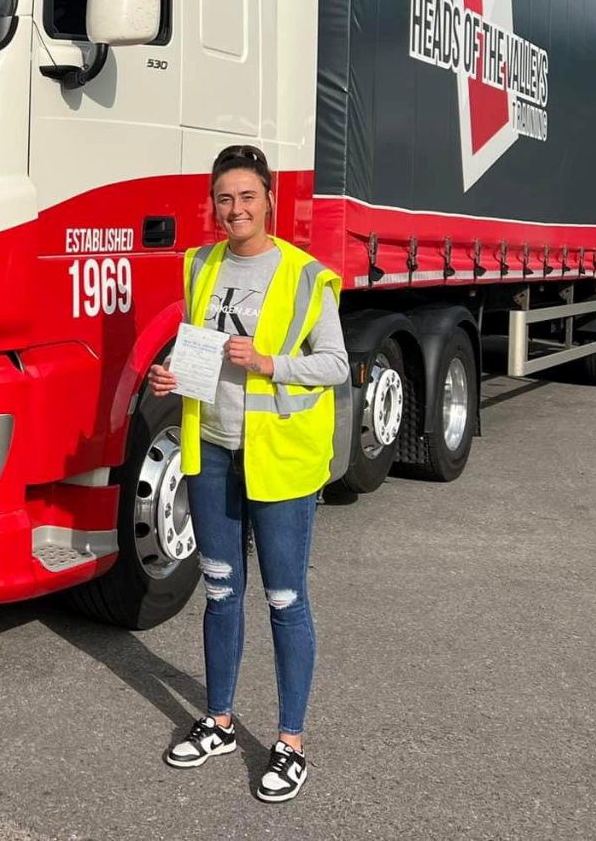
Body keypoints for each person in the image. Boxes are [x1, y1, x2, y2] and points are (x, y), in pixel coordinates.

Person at [148, 144, 348, 804]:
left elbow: (335, 365)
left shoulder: (302, 274)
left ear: (269, 200)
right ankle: (221, 722)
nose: (235, 209)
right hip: (212, 451)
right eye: (225, 198)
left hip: (281, 461)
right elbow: (196, 349)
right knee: (220, 590)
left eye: (247, 196)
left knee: (284, 600)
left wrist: (269, 363)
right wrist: (171, 377)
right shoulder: (199, 265)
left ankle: (289, 744)